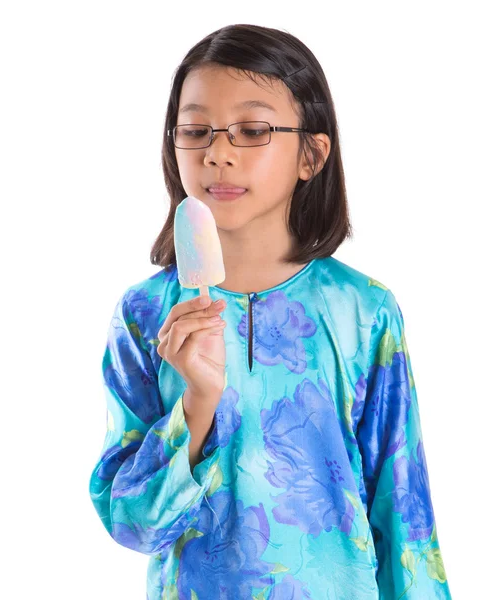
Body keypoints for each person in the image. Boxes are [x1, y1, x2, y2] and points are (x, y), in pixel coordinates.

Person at [88, 24, 452, 600]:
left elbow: (404, 514)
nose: (217, 152)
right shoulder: (144, 315)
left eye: (252, 130)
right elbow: (134, 523)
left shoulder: (364, 312)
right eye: (196, 130)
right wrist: (197, 403)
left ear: (312, 154)